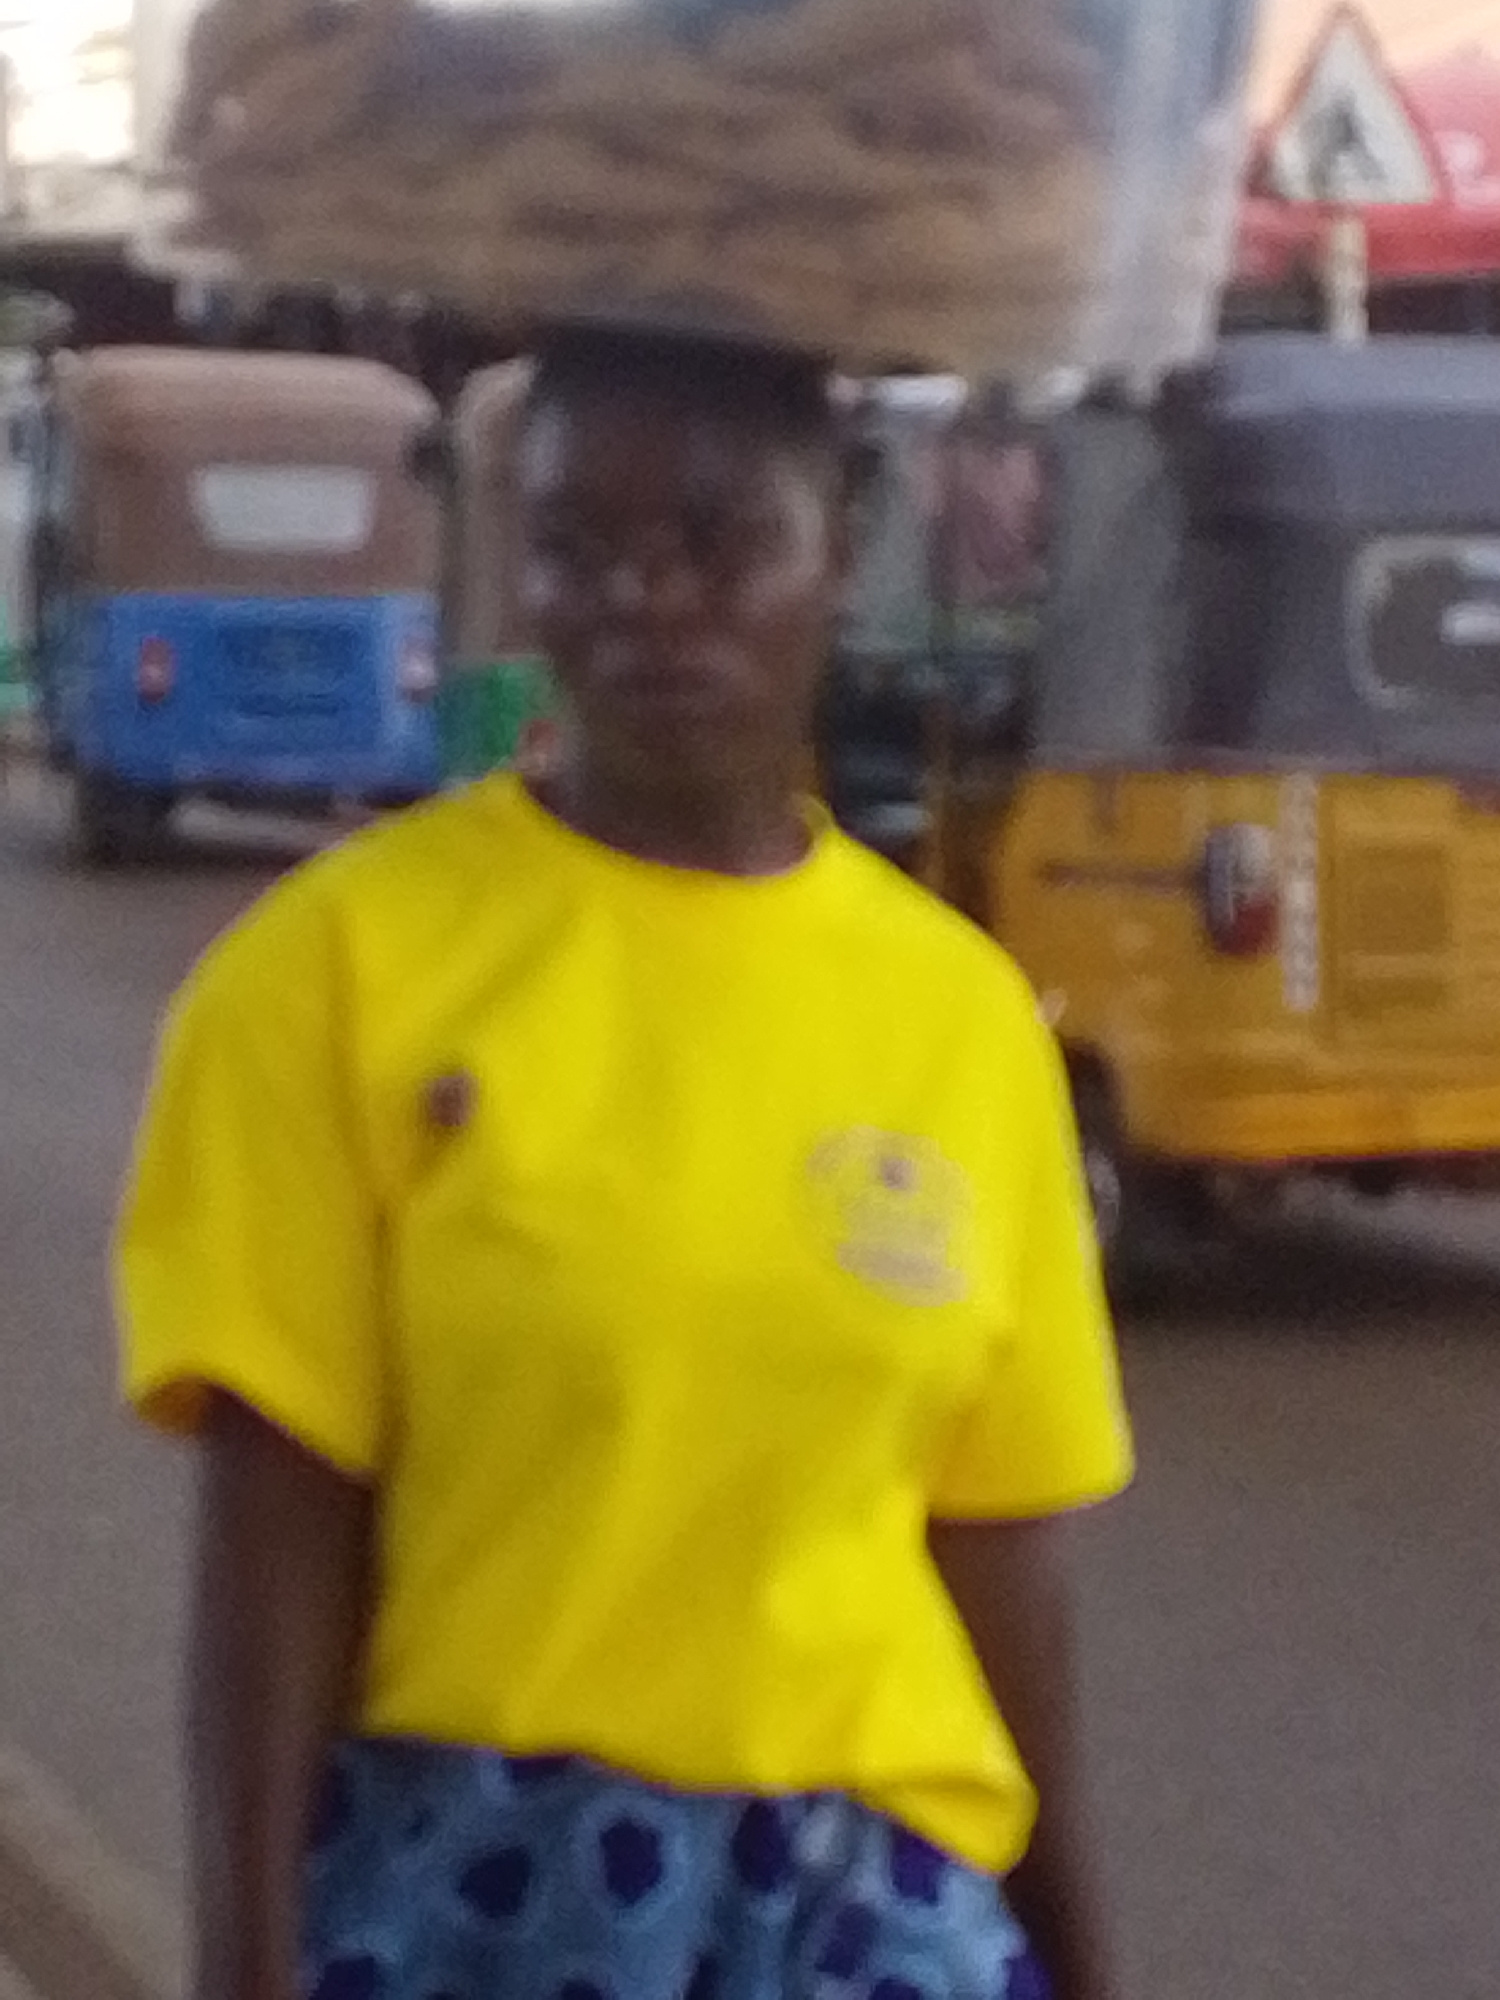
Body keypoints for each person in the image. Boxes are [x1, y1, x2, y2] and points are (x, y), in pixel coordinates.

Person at [116, 328, 1134, 2000]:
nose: (641, 602)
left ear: (845, 541)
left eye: (717, 543)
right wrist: (245, 1964)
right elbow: (275, 1534)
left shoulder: (963, 1022)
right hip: (479, 1900)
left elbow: (999, 1555)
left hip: (869, 1912)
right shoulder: (328, 980)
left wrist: (1084, 1964)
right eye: (578, 547)